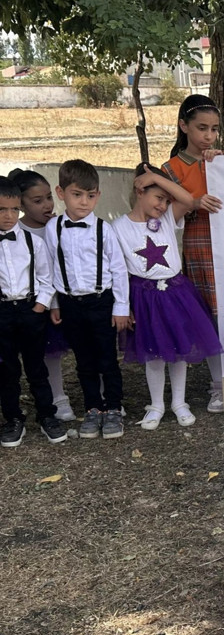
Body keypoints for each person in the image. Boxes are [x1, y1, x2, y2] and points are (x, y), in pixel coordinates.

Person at [111, 165, 224, 430]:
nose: (163, 205)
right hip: (144, 296)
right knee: (154, 353)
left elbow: (187, 200)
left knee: (180, 350)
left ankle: (179, 402)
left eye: (165, 200)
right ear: (140, 192)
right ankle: (156, 404)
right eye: (158, 198)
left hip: (176, 293)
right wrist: (125, 305)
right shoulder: (118, 227)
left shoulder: (167, 219)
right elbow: (117, 269)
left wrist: (156, 177)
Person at [162, 94, 224, 413]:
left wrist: (223, 165)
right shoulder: (171, 169)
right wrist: (194, 202)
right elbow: (168, 218)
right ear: (184, 126)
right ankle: (218, 386)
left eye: (213, 129)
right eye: (201, 128)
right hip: (198, 249)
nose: (208, 136)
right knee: (211, 316)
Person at [43, 159, 130, 440]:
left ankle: (114, 407)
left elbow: (118, 269)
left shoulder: (105, 229)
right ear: (61, 193)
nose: (84, 202)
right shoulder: (52, 228)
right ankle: (93, 407)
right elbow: (50, 266)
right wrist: (54, 302)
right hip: (70, 304)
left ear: (98, 196)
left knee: (107, 357)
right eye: (76, 195)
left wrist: (121, 307)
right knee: (84, 359)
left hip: (101, 302)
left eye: (90, 196)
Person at [0, 177, 66, 447]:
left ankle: (47, 414)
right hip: (2, 312)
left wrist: (40, 305)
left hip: (29, 310)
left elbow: (45, 277)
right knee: (6, 369)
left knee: (37, 366)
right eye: (2, 210)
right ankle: (13, 418)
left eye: (15, 209)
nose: (9, 216)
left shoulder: (32, 242)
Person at [9, 168, 76, 423]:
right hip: (38, 304)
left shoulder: (60, 225)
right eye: (37, 201)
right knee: (49, 353)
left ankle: (101, 397)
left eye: (49, 197)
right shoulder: (17, 234)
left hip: (69, 298)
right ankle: (58, 398)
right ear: (21, 203)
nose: (47, 205)